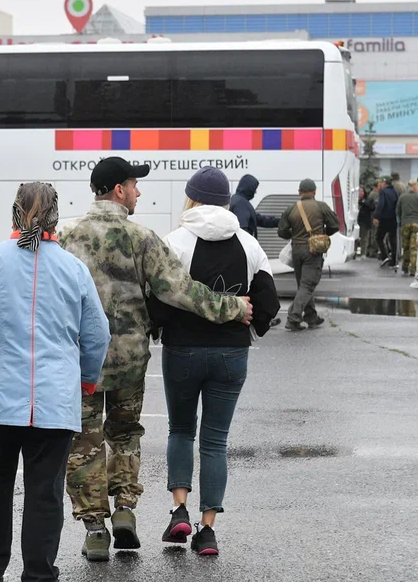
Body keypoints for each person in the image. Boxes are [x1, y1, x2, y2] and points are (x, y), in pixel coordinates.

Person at [59, 158, 253, 562]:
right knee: (125, 434)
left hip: (80, 364)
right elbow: (183, 292)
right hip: (129, 361)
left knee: (85, 442)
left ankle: (96, 529)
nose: (138, 192)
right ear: (118, 190)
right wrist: (233, 307)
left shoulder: (66, 235)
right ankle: (125, 510)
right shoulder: (142, 237)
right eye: (134, 185)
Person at [0, 182, 111, 582]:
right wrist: (87, 379)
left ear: (15, 212)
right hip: (54, 402)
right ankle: (38, 573)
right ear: (55, 216)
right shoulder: (73, 268)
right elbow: (98, 333)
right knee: (45, 493)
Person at [147, 168, 278, 557]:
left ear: (191, 199)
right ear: (226, 202)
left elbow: (158, 300)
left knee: (181, 430)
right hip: (232, 354)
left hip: (183, 352)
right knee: (216, 441)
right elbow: (268, 303)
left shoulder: (175, 242)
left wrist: (170, 325)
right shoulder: (249, 244)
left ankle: (179, 510)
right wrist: (248, 321)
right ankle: (207, 530)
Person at [277, 178, 340, 331]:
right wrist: (322, 235)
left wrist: (295, 235)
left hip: (297, 250)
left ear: (299, 192)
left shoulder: (291, 208)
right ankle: (293, 318)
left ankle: (311, 316)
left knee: (303, 284)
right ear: (314, 192)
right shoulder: (321, 206)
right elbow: (335, 225)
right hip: (313, 251)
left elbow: (282, 231)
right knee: (308, 284)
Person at [229, 173, 282, 327]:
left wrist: (279, 221)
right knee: (257, 287)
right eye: (255, 188)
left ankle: (257, 317)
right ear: (249, 188)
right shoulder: (241, 204)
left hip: (239, 254)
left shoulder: (239, 201)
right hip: (243, 255)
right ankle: (260, 318)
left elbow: (258, 219)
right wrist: (249, 250)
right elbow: (243, 227)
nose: (255, 192)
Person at [396, 180, 418, 277]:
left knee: (406, 246)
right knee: (414, 247)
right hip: (416, 224)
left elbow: (398, 211)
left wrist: (401, 220)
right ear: (414, 186)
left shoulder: (402, 197)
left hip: (405, 224)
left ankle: (404, 267)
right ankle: (413, 269)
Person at [373, 177, 399, 268]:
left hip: (384, 218)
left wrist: (376, 216)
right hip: (393, 218)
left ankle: (385, 256)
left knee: (379, 237)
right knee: (393, 239)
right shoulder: (395, 192)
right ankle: (394, 260)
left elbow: (381, 204)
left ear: (385, 183)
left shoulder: (383, 192)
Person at [357, 185, 377, 259]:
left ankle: (363, 253)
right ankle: (355, 252)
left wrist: (363, 202)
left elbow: (372, 207)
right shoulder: (353, 200)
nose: (360, 193)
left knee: (364, 238)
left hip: (364, 221)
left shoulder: (368, 200)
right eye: (359, 191)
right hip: (356, 221)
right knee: (356, 238)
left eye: (361, 191)